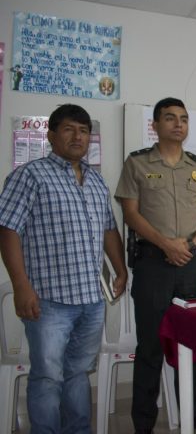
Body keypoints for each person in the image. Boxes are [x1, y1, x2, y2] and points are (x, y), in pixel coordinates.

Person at [0, 104, 127, 434]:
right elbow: (8, 230)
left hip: (91, 299)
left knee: (78, 372)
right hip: (49, 301)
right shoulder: (30, 176)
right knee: (47, 376)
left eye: (84, 131)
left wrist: (121, 269)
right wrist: (21, 286)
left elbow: (108, 230)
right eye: (69, 129)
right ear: (52, 135)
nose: (78, 137)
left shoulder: (96, 181)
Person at [115, 97, 196, 433]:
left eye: (184, 119)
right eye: (171, 118)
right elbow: (131, 214)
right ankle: (143, 422)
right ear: (156, 125)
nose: (178, 124)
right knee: (150, 346)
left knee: (193, 344)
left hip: (192, 262)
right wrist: (166, 244)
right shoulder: (137, 163)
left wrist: (193, 244)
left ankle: (194, 414)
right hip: (153, 264)